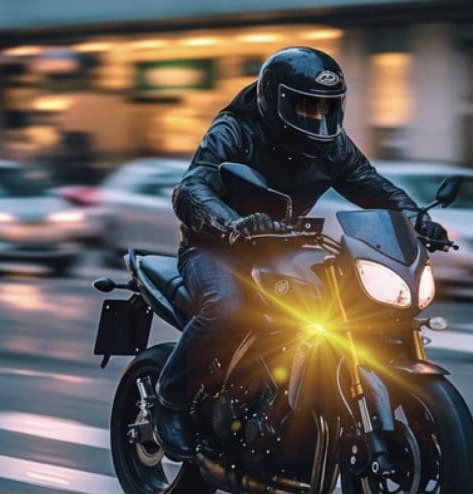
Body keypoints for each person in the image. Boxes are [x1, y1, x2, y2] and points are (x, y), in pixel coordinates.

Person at [154, 46, 448, 460]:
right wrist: (232, 224)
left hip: (282, 245)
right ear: (276, 101)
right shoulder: (234, 129)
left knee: (337, 310)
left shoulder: (331, 144)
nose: (317, 116)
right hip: (216, 247)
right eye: (306, 106)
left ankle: (290, 403)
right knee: (229, 308)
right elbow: (192, 189)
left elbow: (371, 185)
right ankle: (171, 400)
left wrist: (415, 219)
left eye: (326, 107)